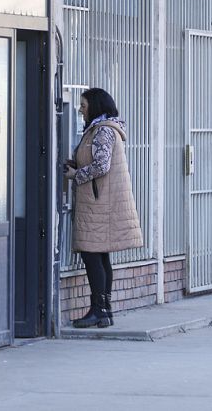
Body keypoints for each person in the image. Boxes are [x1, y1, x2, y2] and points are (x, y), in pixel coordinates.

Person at [64, 88, 143, 329]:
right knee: (100, 256)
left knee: (92, 256)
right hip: (100, 203)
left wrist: (75, 174)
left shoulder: (103, 131)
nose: (80, 109)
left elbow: (101, 166)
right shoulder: (102, 129)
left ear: (95, 107)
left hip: (100, 204)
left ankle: (99, 310)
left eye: (83, 105)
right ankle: (104, 310)